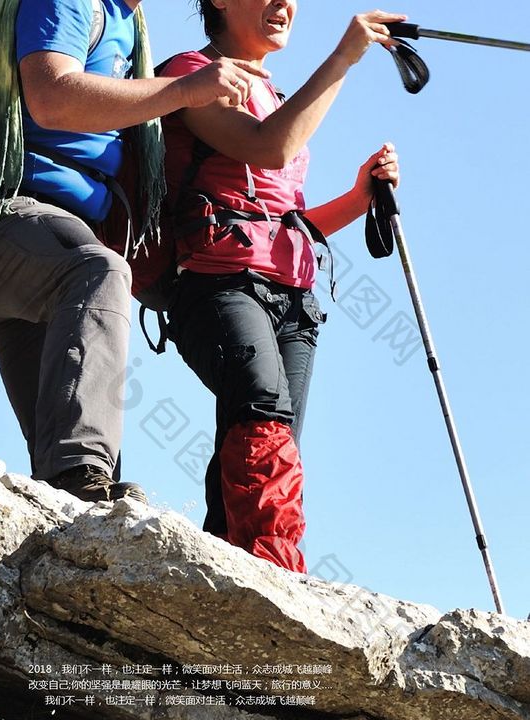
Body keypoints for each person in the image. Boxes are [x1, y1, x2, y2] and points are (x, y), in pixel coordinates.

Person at [0, 0, 269, 503]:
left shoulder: (128, 23)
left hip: (48, 248)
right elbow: (53, 99)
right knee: (101, 272)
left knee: (66, 474)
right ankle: (80, 478)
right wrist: (184, 91)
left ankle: (76, 505)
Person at [159, 1, 403, 571]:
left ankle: (222, 571)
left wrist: (359, 196)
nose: (283, 4)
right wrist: (346, 55)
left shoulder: (273, 93)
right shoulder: (189, 75)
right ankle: (273, 571)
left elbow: (284, 219)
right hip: (215, 282)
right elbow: (272, 147)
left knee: (268, 435)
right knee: (261, 412)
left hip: (293, 296)